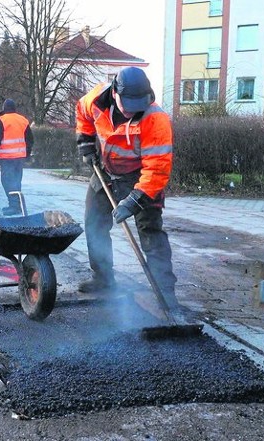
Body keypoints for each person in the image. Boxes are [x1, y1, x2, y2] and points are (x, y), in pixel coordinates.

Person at [74, 66, 178, 306]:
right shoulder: (96, 100)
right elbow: (82, 112)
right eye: (127, 104)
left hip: (141, 177)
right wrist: (86, 145)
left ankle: (165, 293)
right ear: (115, 93)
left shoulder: (156, 119)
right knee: (94, 224)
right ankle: (103, 279)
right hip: (107, 172)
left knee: (151, 232)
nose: (131, 111)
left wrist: (133, 202)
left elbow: (157, 169)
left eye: (137, 105)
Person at [0, 99, 34, 216]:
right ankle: (16, 205)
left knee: (7, 181)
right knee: (16, 181)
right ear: (15, 108)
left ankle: (14, 206)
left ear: (4, 108)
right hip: (19, 157)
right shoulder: (23, 120)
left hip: (7, 157)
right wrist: (27, 154)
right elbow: (30, 140)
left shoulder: (1, 120)